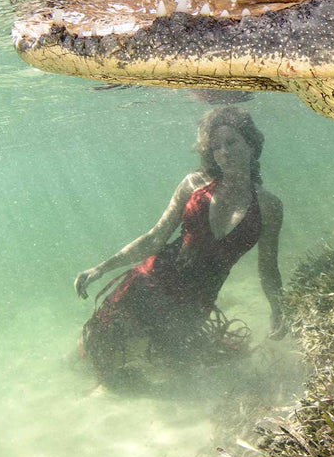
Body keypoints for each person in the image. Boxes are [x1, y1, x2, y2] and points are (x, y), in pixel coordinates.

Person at [74, 106, 285, 388]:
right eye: (216, 147)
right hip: (150, 283)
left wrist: (278, 310)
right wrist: (101, 268)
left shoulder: (269, 206)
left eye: (231, 142)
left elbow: (268, 267)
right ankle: (68, 373)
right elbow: (155, 237)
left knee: (167, 372)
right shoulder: (193, 185)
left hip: (194, 304)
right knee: (99, 348)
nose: (223, 152)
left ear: (251, 144)